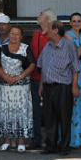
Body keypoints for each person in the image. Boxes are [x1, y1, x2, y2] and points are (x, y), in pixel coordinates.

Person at [38, 21, 80, 156]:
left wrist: (74, 86)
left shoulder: (68, 45)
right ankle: (51, 145)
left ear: (56, 30)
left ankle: (64, 146)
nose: (47, 31)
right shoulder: (47, 46)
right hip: (48, 87)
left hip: (63, 87)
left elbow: (75, 67)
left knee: (64, 117)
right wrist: (41, 85)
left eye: (49, 28)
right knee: (49, 118)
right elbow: (42, 67)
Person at [0, 25, 35, 153]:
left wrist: (20, 76)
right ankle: (7, 141)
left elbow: (32, 64)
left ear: (21, 36)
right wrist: (5, 77)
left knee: (20, 113)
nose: (14, 36)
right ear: (9, 34)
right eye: (12, 34)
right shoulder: (1, 48)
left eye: (17, 34)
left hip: (21, 88)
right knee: (6, 113)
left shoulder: (26, 49)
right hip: (5, 87)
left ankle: (21, 141)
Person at [28, 8, 56, 149]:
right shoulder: (36, 34)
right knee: (35, 110)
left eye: (40, 15)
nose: (38, 16)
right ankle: (36, 139)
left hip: (50, 79)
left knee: (50, 110)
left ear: (46, 18)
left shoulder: (53, 35)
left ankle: (51, 140)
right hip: (35, 77)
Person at [64, 12, 81, 148]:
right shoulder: (68, 35)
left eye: (79, 21)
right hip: (72, 70)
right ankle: (72, 139)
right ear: (70, 23)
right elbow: (76, 54)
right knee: (73, 104)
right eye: (74, 21)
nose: (76, 23)